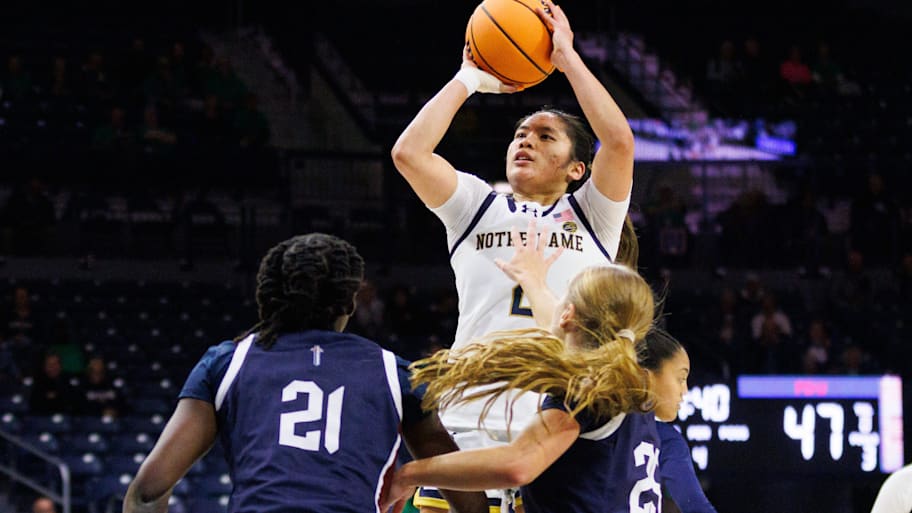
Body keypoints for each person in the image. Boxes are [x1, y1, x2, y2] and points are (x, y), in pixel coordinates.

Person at [391, 2, 637, 509]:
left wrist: (566, 58)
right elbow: (408, 154)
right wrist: (467, 78)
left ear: (576, 169)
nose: (526, 141)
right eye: (521, 134)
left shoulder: (593, 216)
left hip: (546, 441)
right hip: (463, 431)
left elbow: (618, 142)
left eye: (545, 137)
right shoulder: (477, 206)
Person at [123, 233, 487, 513]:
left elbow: (147, 493)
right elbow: (467, 498)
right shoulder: (393, 372)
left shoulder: (228, 362)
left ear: (270, 295)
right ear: (349, 303)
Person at [385, 256, 660, 513]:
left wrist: (409, 473)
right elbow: (559, 330)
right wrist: (533, 282)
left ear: (567, 314)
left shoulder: (587, 390)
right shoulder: (629, 386)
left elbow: (518, 465)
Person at [641, 329, 718, 513]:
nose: (685, 391)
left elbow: (697, 507)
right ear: (647, 376)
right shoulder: (596, 421)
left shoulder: (668, 440)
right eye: (680, 379)